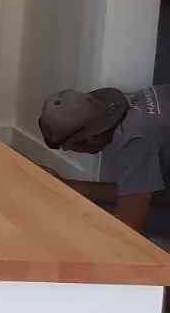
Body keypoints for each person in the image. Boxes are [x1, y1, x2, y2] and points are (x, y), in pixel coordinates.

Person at [40, 85, 170, 231]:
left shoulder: (135, 138)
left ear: (92, 139)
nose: (65, 150)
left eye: (66, 145)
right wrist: (62, 186)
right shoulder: (137, 104)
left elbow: (129, 225)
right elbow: (135, 191)